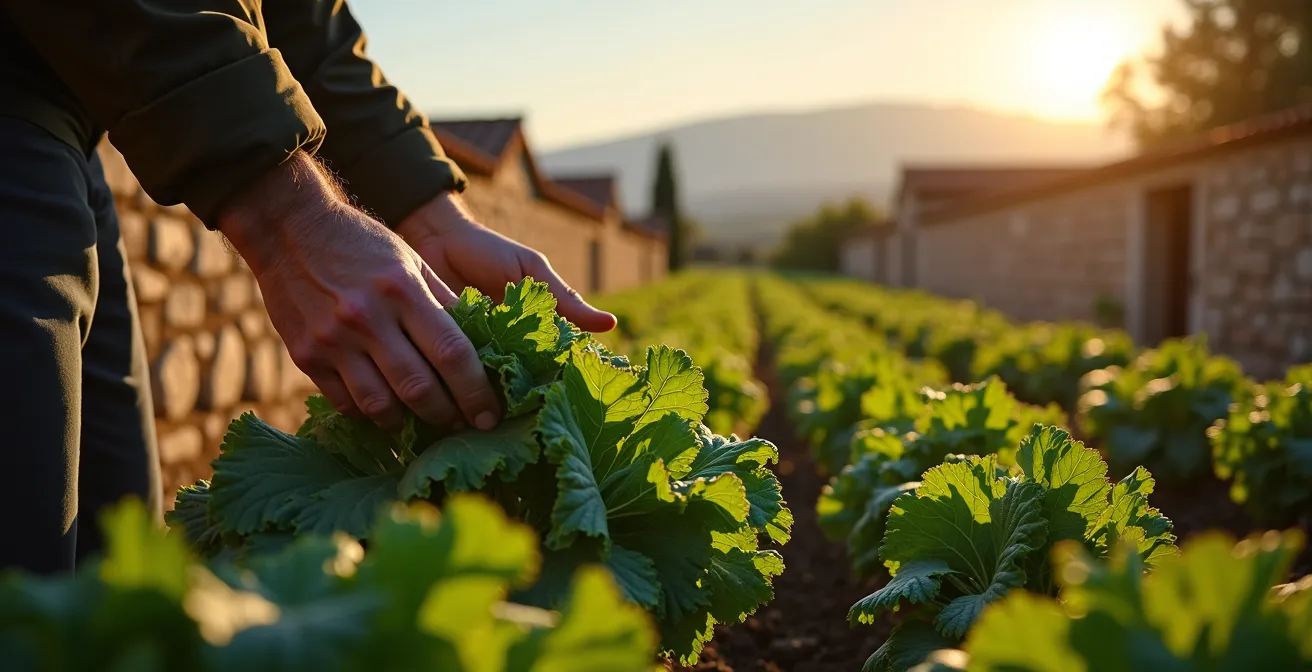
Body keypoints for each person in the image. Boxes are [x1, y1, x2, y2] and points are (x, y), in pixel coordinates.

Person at [0, 1, 617, 575]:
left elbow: (299, 17)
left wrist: (430, 217)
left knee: (114, 574)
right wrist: (286, 217)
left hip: (68, 126)